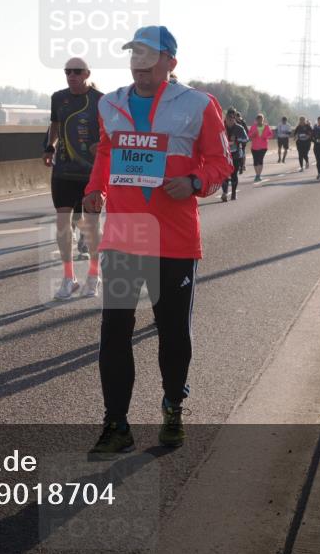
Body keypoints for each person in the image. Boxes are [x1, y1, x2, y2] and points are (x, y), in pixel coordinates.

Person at [82, 25, 232, 454]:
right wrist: (97, 189)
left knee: (172, 332)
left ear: (170, 62)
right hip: (125, 235)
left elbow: (221, 163)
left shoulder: (199, 105)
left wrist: (195, 181)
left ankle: (172, 406)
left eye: (149, 58)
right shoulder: (110, 104)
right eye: (134, 56)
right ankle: (116, 423)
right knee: (114, 330)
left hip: (175, 239)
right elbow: (107, 152)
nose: (140, 66)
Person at [44, 57, 103, 300]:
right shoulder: (58, 98)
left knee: (90, 226)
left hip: (91, 173)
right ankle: (69, 278)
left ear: (87, 73)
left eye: (77, 71)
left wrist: (101, 145)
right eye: (68, 71)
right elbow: (55, 126)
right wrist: (49, 147)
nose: (72, 75)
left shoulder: (101, 100)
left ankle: (93, 274)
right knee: (62, 222)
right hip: (63, 171)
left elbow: (110, 131)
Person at [222, 109, 248, 201]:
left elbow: (246, 139)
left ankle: (233, 193)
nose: (231, 119)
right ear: (226, 118)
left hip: (236, 155)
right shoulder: (221, 127)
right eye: (229, 117)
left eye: (233, 118)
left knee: (233, 174)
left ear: (235, 118)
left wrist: (236, 139)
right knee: (224, 174)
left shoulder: (239, 128)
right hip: (224, 155)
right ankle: (224, 193)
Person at [248, 113, 274, 182]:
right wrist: (253, 134)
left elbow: (271, 135)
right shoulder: (253, 127)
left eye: (261, 119)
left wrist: (266, 137)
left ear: (263, 119)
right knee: (255, 161)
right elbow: (249, 135)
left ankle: (258, 175)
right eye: (258, 119)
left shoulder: (266, 127)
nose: (260, 121)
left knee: (260, 160)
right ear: (256, 120)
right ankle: (257, 175)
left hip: (263, 146)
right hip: (254, 146)